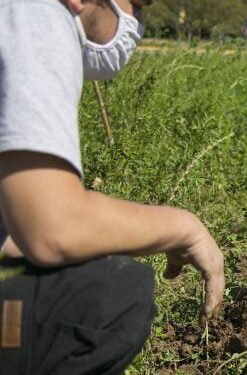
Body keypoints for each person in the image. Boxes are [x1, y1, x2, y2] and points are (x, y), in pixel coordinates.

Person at [0, 0, 225, 373]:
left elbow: (17, 224)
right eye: (136, 4)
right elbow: (53, 229)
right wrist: (186, 229)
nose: (135, 22)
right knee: (114, 295)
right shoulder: (38, 19)